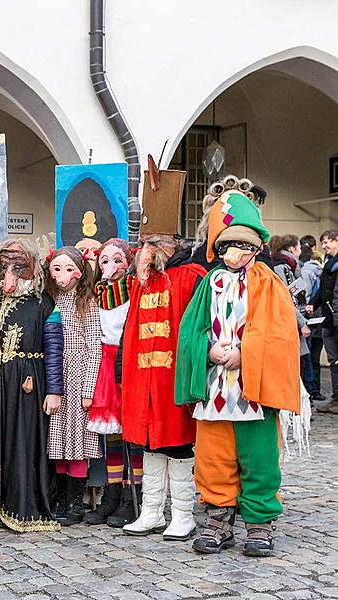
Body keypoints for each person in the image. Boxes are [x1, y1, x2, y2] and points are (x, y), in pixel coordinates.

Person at [176, 188, 300, 557]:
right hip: (215, 388)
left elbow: (280, 331)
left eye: (243, 246)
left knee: (258, 456)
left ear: (256, 247)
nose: (235, 253)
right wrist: (207, 350)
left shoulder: (268, 283)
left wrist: (245, 353)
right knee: (214, 456)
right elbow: (190, 331)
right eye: (228, 245)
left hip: (254, 388)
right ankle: (218, 517)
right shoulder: (208, 284)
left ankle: (260, 522)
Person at [121, 173, 207, 542]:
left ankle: (183, 515)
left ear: (169, 243)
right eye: (142, 243)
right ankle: (152, 511)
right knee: (150, 443)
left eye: (151, 243)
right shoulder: (141, 280)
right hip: (145, 381)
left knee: (177, 443)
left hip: (175, 380)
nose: (144, 250)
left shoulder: (191, 276)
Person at [0, 239, 64, 532]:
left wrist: (55, 390)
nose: (11, 271)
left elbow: (54, 349)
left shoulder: (44, 304)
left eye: (18, 266)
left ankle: (22, 506)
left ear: (31, 268)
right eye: (6, 265)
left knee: (24, 441)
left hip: (28, 385)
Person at [84, 239, 143, 528]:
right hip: (104, 365)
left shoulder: (135, 291)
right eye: (104, 261)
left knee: (132, 431)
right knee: (112, 434)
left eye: (117, 260)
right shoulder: (96, 294)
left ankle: (134, 495)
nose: (110, 267)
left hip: (128, 360)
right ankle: (113, 490)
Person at [44, 246, 102, 526]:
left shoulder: (87, 302)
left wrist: (88, 389)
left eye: (69, 269)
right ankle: (59, 497)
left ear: (80, 271)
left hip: (77, 377)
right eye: (57, 269)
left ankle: (75, 502)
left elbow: (94, 347)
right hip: (55, 376)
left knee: (76, 442)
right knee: (56, 441)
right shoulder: (49, 300)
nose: (62, 276)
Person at [271, 235, 313, 400]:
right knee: (297, 366)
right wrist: (302, 322)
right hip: (289, 321)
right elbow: (286, 298)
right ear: (292, 248)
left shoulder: (288, 264)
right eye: (298, 247)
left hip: (293, 318)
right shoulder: (283, 267)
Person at [309, 229, 338, 414]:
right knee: (334, 361)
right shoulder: (327, 264)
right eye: (323, 243)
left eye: (327, 242)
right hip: (329, 320)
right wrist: (313, 303)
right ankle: (336, 399)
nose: (324, 246)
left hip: (335, 318)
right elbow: (323, 289)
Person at [299, 237, 324, 402]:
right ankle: (316, 389)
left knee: (307, 357)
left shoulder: (304, 271)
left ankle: (309, 391)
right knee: (315, 357)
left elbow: (306, 295)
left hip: (308, 317)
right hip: (321, 317)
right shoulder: (322, 271)